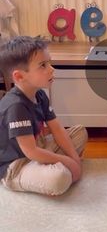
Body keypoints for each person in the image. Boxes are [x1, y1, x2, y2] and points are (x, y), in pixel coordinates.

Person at [0, 36, 88, 196]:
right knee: (59, 178)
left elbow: (57, 129)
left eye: (49, 62)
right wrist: (67, 161)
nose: (51, 69)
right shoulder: (16, 106)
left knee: (80, 132)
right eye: (43, 65)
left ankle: (49, 167)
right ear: (19, 77)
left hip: (37, 147)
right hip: (16, 165)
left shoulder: (39, 94)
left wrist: (74, 159)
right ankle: (47, 172)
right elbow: (31, 152)